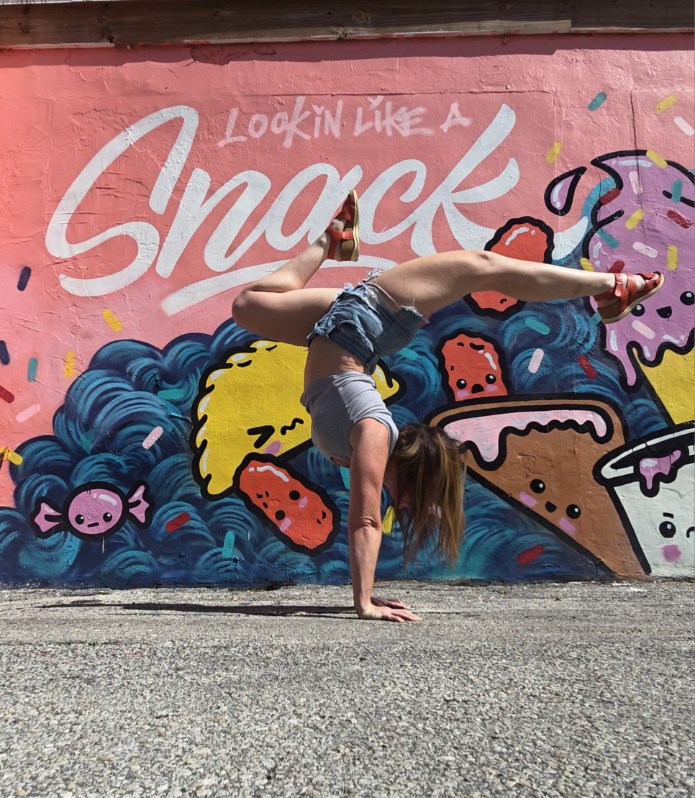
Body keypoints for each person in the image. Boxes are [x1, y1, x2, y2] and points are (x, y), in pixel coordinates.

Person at [232, 191, 664, 623]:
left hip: (340, 327)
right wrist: (364, 604)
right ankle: (611, 285)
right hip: (373, 313)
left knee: (247, 306)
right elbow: (365, 522)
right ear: (414, 475)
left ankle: (334, 241)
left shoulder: (367, 442)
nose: (413, 509)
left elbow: (365, 520)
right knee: (482, 266)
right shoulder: (374, 432)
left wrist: (367, 598)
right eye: (424, 500)